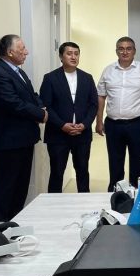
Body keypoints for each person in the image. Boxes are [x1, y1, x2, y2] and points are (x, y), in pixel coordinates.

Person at [0, 34, 47, 222]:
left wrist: (42, 108)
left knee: (20, 188)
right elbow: (13, 103)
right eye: (22, 49)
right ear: (10, 52)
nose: (26, 52)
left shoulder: (18, 71)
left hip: (25, 139)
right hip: (9, 141)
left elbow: (32, 95)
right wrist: (40, 114)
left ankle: (13, 225)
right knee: (6, 189)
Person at [96, 37, 140, 191]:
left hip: (137, 124)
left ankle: (137, 195)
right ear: (116, 51)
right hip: (113, 124)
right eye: (121, 48)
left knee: (138, 163)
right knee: (115, 163)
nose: (125, 52)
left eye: (128, 48)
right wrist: (98, 121)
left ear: (134, 51)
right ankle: (116, 195)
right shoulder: (108, 70)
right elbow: (101, 96)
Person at [40, 42, 98, 193]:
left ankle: (84, 203)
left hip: (82, 134)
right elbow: (46, 106)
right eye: (69, 53)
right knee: (57, 173)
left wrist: (84, 124)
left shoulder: (87, 78)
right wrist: (62, 125)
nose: (73, 57)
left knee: (83, 172)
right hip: (58, 134)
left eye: (76, 54)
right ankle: (53, 204)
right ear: (61, 56)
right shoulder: (50, 78)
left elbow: (93, 105)